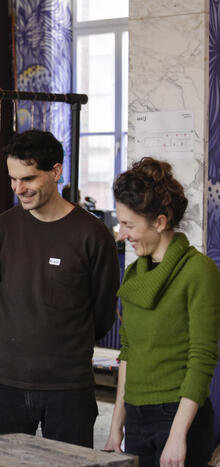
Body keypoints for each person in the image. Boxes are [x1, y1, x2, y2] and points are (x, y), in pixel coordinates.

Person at [0, 129, 119, 447]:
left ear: (55, 171)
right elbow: (1, 295)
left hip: (69, 387)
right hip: (5, 383)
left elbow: (102, 313)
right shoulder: (1, 228)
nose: (19, 189)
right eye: (13, 179)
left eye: (28, 178)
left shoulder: (93, 235)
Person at [104, 157, 220, 467]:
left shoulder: (198, 271)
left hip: (179, 416)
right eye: (120, 223)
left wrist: (178, 434)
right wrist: (117, 426)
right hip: (137, 416)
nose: (121, 234)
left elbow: (202, 357)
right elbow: (128, 353)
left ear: (159, 222)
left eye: (128, 225)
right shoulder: (133, 275)